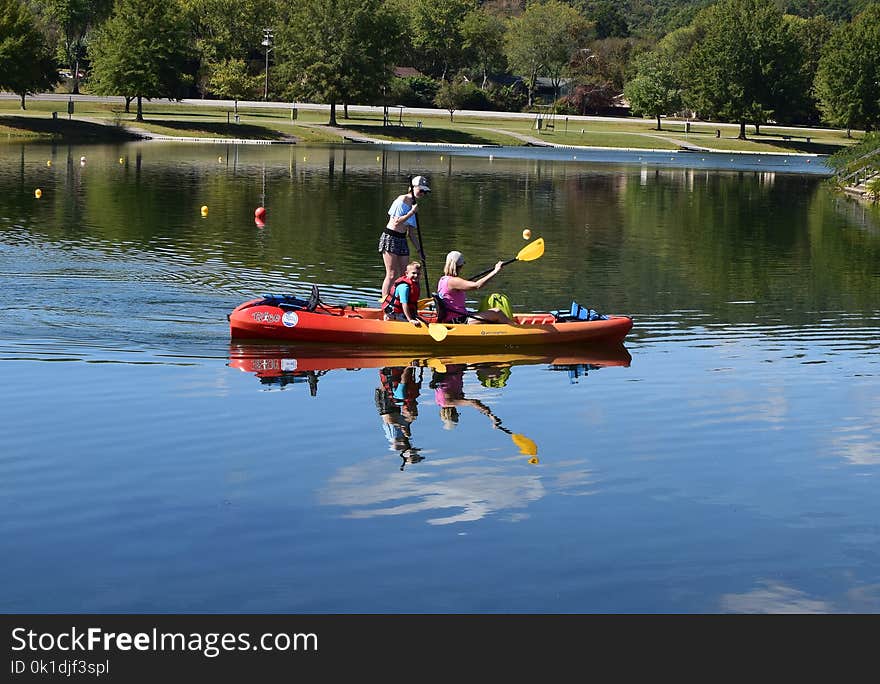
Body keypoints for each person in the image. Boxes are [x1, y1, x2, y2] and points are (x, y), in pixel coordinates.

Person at [379, 175, 430, 300]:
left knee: (404, 275)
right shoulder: (402, 200)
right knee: (391, 274)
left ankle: (400, 301)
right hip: (390, 237)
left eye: (425, 191)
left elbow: (411, 233)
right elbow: (396, 222)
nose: (422, 193)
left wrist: (420, 250)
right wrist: (411, 212)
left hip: (402, 239)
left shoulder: (414, 205)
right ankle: (385, 301)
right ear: (412, 188)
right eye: (420, 190)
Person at [436, 250, 513, 324]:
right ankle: (516, 328)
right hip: (458, 320)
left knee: (485, 312)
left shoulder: (443, 279)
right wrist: (495, 271)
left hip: (456, 317)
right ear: (460, 266)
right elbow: (477, 285)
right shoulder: (454, 281)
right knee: (497, 312)